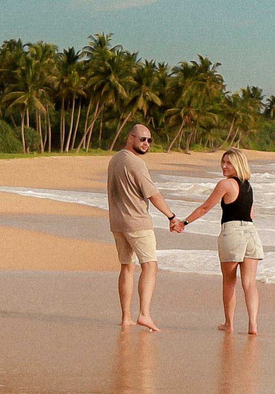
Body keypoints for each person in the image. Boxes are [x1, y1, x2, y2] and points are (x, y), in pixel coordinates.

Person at [176, 146, 262, 335]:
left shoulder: (225, 184)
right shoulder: (248, 186)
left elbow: (205, 207)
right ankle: (253, 324)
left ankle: (229, 324)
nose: (223, 166)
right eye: (223, 162)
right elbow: (251, 213)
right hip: (251, 233)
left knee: (229, 281)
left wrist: (185, 222)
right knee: (249, 283)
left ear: (237, 164)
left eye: (228, 163)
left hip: (232, 232)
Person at [105, 122, 178, 330]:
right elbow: (153, 194)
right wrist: (171, 216)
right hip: (137, 222)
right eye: (142, 139)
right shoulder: (136, 163)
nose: (146, 143)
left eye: (149, 140)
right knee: (150, 266)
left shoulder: (115, 159)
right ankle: (144, 314)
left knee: (127, 267)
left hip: (117, 222)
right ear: (131, 138)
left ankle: (126, 317)